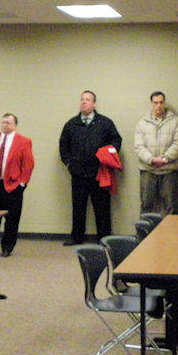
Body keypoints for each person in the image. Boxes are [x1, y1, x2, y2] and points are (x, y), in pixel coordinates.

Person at [59, 90, 122, 245]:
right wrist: (69, 163)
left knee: (102, 208)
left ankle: (104, 238)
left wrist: (107, 155)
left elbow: (116, 141)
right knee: (78, 207)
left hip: (99, 173)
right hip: (78, 173)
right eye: (82, 99)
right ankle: (77, 237)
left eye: (87, 99)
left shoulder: (105, 123)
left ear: (94, 103)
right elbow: (63, 146)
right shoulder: (71, 124)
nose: (84, 102)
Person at [0, 113, 35, 257]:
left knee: (12, 219)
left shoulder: (24, 141)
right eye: (3, 122)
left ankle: (7, 247)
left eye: (8, 123)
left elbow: (28, 164)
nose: (5, 125)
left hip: (13, 186)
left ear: (15, 126)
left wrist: (22, 184)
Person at [133, 91, 178, 216]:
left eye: (161, 102)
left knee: (171, 206)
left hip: (169, 171)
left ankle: (170, 230)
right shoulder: (142, 123)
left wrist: (165, 158)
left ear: (164, 103)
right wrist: (152, 160)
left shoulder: (175, 121)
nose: (158, 106)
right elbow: (139, 146)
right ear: (151, 103)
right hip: (148, 170)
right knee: (146, 205)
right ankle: (145, 230)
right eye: (156, 103)